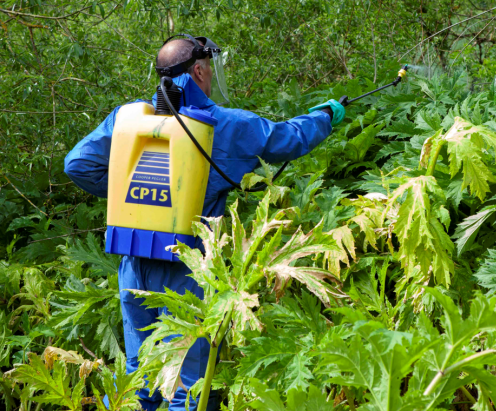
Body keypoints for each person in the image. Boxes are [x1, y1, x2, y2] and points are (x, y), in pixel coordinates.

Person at [64, 35, 345, 411]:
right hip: (187, 266)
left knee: (138, 376)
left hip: (133, 263)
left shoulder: (128, 119)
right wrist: (326, 115)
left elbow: (77, 165)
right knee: (189, 385)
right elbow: (288, 140)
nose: (211, 75)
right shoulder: (225, 126)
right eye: (210, 69)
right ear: (198, 70)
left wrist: (126, 189)